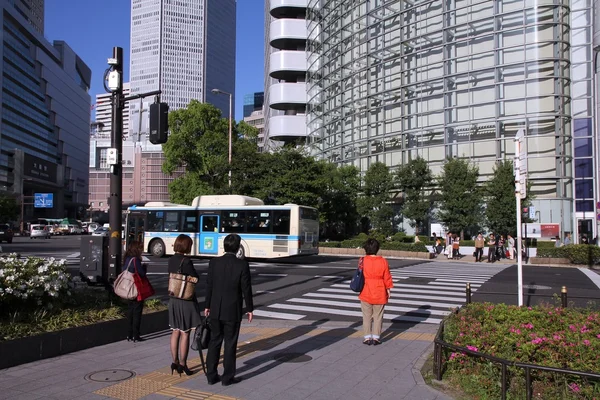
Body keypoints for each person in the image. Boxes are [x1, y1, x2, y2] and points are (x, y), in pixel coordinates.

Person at [205, 234, 254, 386]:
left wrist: (207, 305)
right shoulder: (242, 265)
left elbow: (209, 285)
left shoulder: (214, 262)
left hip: (215, 308)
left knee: (214, 341)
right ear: (238, 247)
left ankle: (211, 376)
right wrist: (250, 308)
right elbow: (246, 289)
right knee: (230, 343)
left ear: (224, 246)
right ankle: (227, 377)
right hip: (232, 309)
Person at [168, 234, 202, 377]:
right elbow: (195, 279)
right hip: (185, 299)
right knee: (185, 332)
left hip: (173, 298)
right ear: (186, 246)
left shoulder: (171, 259)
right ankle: (183, 364)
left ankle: (174, 362)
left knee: (175, 331)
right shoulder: (186, 261)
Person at [358, 238, 393, 346]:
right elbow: (387, 276)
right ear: (377, 248)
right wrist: (388, 289)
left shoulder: (362, 260)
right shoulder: (383, 261)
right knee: (378, 316)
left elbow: (359, 275)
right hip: (379, 290)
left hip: (366, 289)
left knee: (366, 315)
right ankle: (376, 337)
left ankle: (367, 337)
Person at [124, 241, 146, 343]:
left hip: (128, 289)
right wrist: (144, 268)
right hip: (136, 289)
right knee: (137, 312)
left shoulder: (127, 259)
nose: (141, 250)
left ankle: (129, 334)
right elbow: (141, 273)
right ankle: (135, 335)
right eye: (140, 248)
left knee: (130, 311)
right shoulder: (135, 260)